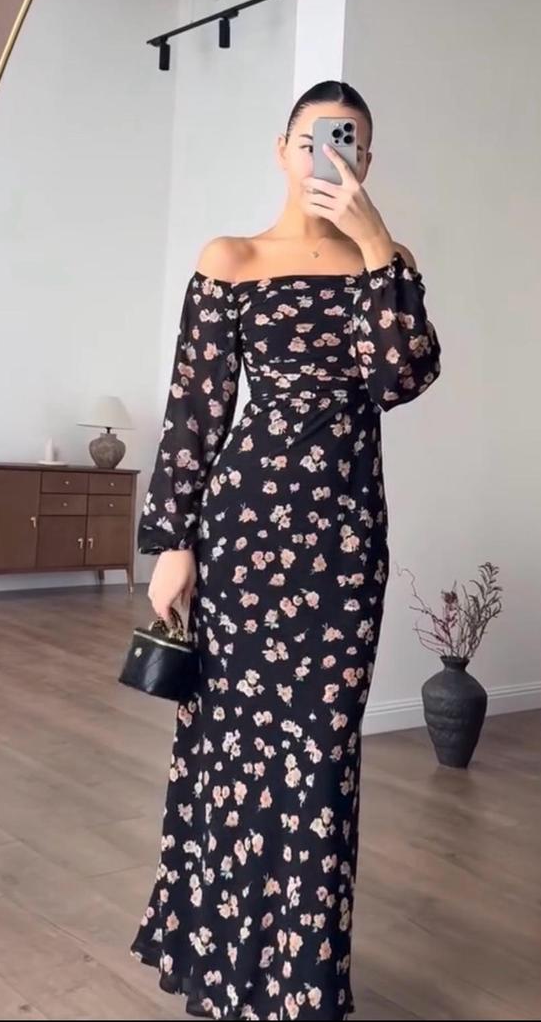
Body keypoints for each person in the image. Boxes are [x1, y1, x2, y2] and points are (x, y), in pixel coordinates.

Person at [130, 80, 442, 1020]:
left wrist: (376, 243)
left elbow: (403, 378)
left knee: (320, 758)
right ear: (282, 149)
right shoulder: (231, 259)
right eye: (314, 140)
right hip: (243, 535)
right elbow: (195, 410)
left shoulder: (387, 265)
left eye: (348, 143)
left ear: (367, 160)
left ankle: (300, 986)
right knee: (228, 748)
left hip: (343, 544)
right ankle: (222, 967)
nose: (328, 156)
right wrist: (172, 540)